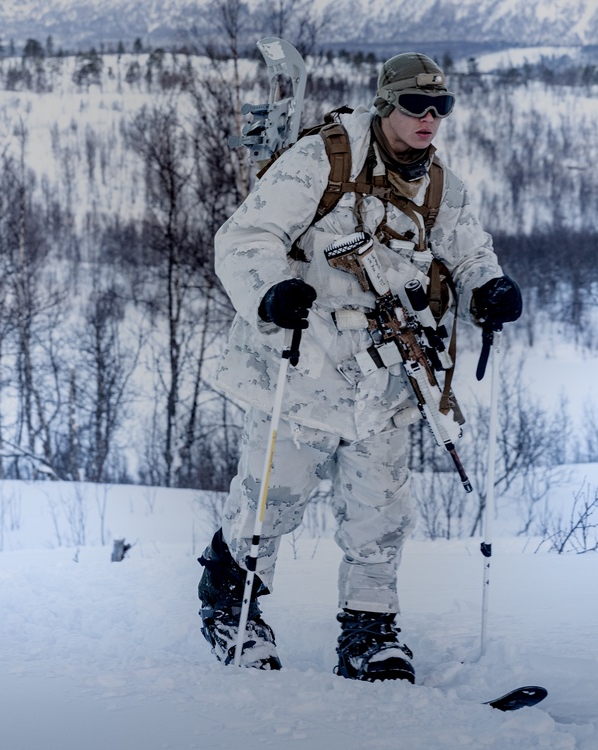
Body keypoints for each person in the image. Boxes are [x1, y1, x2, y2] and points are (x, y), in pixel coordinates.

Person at [197, 52, 522, 682]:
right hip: (303, 364)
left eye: (441, 107)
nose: (430, 118)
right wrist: (271, 291)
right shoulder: (323, 160)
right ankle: (230, 605)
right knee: (272, 501)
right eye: (415, 105)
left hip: (386, 378)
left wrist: (489, 286)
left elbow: (467, 250)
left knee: (380, 512)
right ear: (385, 105)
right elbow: (245, 237)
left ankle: (370, 631)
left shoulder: (439, 187)